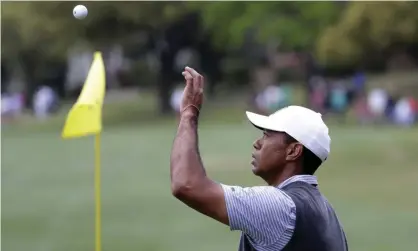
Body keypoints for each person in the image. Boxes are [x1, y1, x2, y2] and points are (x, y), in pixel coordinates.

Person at [171, 66, 348, 251]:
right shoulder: (327, 213)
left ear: (293, 151)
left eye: (267, 135)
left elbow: (186, 185)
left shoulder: (279, 207)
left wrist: (188, 113)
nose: (257, 143)